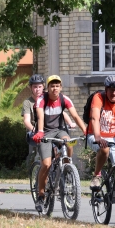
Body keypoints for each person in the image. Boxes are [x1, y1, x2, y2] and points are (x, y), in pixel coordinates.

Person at [32, 75, 87, 213]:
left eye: (57, 86)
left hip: (59, 130)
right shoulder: (41, 100)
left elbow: (75, 116)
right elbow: (40, 116)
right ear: (47, 88)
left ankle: (67, 166)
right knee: (46, 164)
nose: (54, 88)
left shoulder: (64, 99)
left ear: (60, 87)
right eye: (52, 86)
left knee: (69, 143)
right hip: (44, 132)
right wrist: (39, 131)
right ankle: (41, 195)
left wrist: (86, 131)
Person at [22, 74, 76, 158]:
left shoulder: (48, 97)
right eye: (35, 87)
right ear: (30, 88)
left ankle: (64, 167)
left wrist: (70, 123)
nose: (37, 89)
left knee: (64, 146)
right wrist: (35, 130)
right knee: (46, 156)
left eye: (40, 87)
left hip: (53, 129)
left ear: (43, 86)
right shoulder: (27, 102)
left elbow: (62, 113)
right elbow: (26, 120)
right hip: (37, 131)